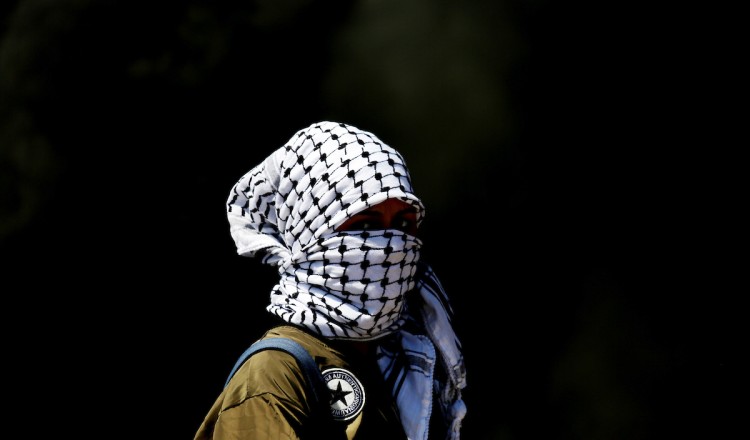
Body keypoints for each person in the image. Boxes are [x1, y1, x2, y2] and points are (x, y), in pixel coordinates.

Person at [194, 121, 467, 439]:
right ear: (309, 233)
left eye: (404, 224)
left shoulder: (401, 366)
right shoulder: (274, 374)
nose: (392, 245)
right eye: (366, 226)